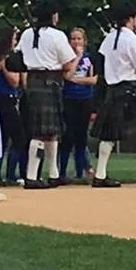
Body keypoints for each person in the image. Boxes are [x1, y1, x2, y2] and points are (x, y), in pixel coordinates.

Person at [92, 6, 136, 189]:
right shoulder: (133, 39)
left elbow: (99, 61)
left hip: (112, 89)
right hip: (129, 87)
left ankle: (99, 175)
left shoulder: (108, 38)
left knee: (108, 134)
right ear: (131, 19)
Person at [16, 2, 77, 189]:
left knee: (50, 131)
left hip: (32, 81)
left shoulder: (26, 34)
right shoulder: (57, 35)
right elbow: (68, 63)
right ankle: (31, 177)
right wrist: (77, 57)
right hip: (50, 80)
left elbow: (17, 57)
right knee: (41, 132)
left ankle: (53, 174)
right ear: (52, 16)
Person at [0, 24, 24, 184]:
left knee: (5, 137)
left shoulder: (10, 56)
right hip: (3, 98)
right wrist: (3, 68)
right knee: (15, 137)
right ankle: (4, 174)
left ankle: (0, 173)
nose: (15, 42)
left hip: (3, 97)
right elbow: (15, 81)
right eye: (14, 39)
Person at [62, 29, 97, 180]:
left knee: (81, 138)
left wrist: (76, 80)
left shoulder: (89, 58)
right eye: (73, 39)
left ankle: (79, 173)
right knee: (67, 136)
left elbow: (93, 80)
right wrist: (77, 57)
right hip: (69, 98)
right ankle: (62, 172)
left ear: (84, 41)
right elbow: (67, 75)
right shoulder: (67, 58)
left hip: (85, 99)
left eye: (79, 39)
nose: (76, 42)